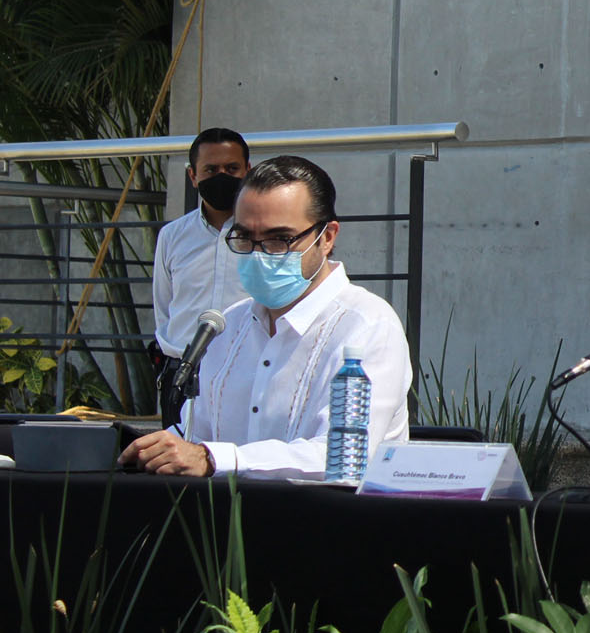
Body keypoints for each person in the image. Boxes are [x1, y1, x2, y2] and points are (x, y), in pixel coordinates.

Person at [119, 156, 411, 478]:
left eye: (279, 239)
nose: (259, 254)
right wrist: (148, 450)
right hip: (225, 523)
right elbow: (195, 437)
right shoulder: (227, 326)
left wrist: (217, 459)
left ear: (327, 237)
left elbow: (342, 456)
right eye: (244, 238)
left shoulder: (366, 326)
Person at [151, 127, 252, 421]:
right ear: (193, 176)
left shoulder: (266, 237)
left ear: (249, 171)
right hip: (182, 375)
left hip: (245, 372)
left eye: (232, 168)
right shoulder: (172, 236)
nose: (222, 176)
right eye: (211, 169)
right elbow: (164, 307)